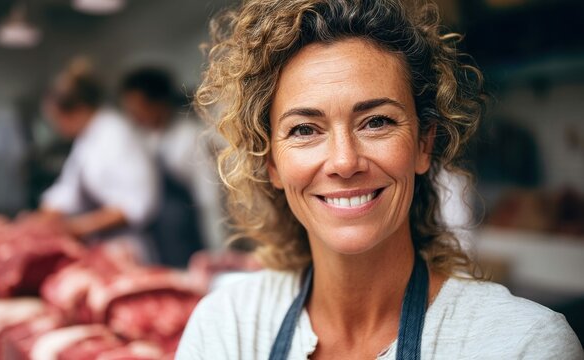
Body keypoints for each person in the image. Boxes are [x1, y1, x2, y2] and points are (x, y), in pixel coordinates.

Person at [176, 0, 584, 359]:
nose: (344, 160)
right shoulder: (225, 329)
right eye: (304, 129)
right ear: (272, 164)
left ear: (424, 144)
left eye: (376, 122)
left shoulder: (522, 345)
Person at [40, 59, 157, 262]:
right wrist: (44, 217)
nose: (58, 129)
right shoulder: (86, 138)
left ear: (77, 111)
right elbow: (67, 189)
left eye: (57, 120)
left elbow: (137, 205)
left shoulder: (115, 134)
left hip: (128, 248)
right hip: (102, 247)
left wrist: (79, 227)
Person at [120, 67, 224, 267]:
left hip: (190, 234)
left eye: (139, 108)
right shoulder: (145, 138)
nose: (134, 116)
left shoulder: (190, 137)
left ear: (159, 103)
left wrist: (218, 253)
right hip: (160, 236)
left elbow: (209, 199)